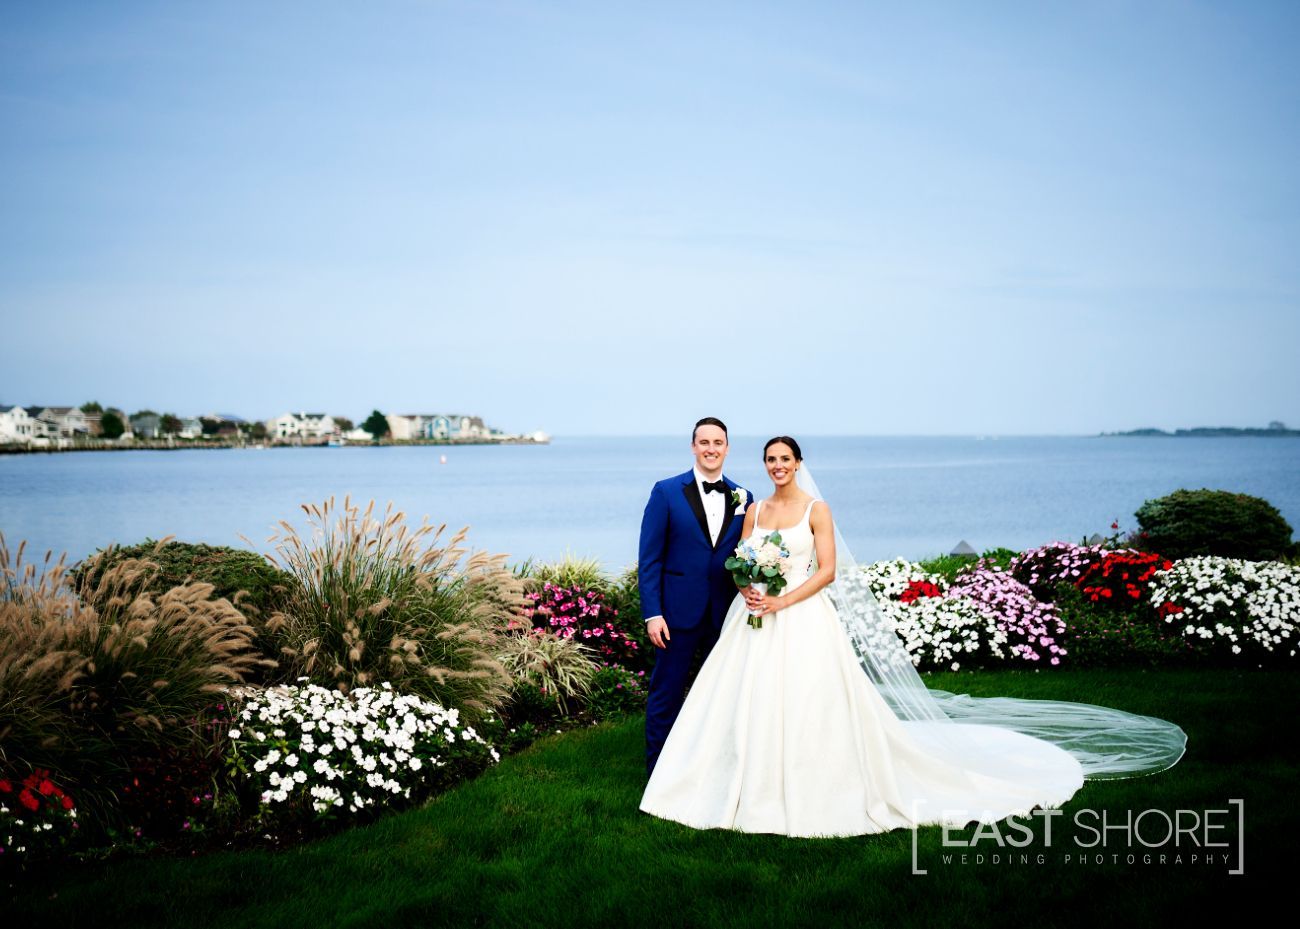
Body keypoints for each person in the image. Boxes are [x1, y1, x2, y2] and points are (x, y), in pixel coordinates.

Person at [639, 436, 1187, 837]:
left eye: (785, 459)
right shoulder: (751, 506)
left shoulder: (817, 508)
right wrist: (750, 589)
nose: (777, 466)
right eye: (771, 460)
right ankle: (722, 777)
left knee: (810, 703)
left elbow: (826, 571)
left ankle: (812, 784)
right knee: (738, 700)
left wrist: (781, 598)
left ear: (799, 463)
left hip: (801, 619)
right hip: (752, 617)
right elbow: (739, 559)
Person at [638, 417, 753, 778]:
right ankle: (658, 772)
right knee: (666, 693)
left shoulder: (744, 497)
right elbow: (650, 558)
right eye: (704, 442)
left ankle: (708, 770)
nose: (711, 449)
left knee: (719, 695)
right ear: (693, 446)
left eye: (718, 442)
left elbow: (748, 555)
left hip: (724, 614)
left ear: (727, 448)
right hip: (675, 615)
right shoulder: (666, 492)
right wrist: (653, 613)